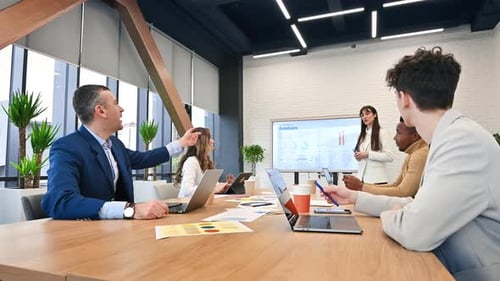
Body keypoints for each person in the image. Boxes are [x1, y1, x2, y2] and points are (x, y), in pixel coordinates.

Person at [323, 47, 500, 280]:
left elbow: (414, 230)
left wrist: (392, 216)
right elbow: (416, 204)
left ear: (404, 98)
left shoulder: (461, 141)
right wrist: (355, 197)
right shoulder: (450, 136)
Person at [42, 84, 200, 220]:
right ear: (101, 111)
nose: (121, 109)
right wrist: (129, 210)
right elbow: (60, 201)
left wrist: (180, 143)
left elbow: (143, 159)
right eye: (116, 103)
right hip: (85, 237)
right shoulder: (67, 147)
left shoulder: (115, 145)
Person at [343, 117, 428, 197]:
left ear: (415, 136)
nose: (394, 138)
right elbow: (396, 185)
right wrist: (360, 185)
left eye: (398, 133)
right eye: (362, 115)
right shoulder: (412, 154)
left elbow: (403, 192)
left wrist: (361, 187)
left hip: (377, 178)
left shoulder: (419, 155)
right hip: (365, 177)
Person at [174, 127, 233, 198]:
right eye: (209, 138)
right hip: (188, 205)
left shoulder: (205, 161)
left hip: (201, 204)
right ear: (202, 141)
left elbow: (210, 187)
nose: (213, 141)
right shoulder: (191, 161)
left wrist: (223, 187)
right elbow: (187, 192)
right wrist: (214, 189)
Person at [353, 105, 394, 184]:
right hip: (361, 179)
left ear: (375, 115)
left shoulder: (382, 132)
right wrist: (358, 156)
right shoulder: (362, 135)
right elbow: (361, 157)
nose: (364, 117)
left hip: (377, 179)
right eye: (362, 115)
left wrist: (368, 154)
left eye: (367, 113)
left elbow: (389, 156)